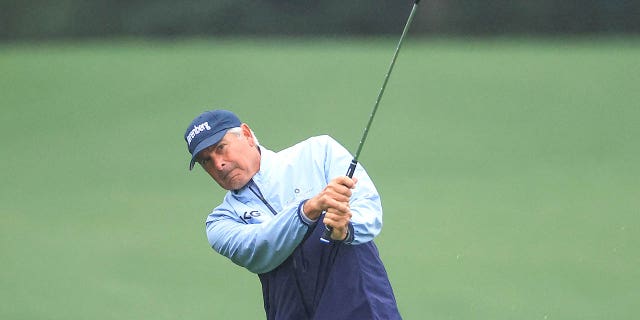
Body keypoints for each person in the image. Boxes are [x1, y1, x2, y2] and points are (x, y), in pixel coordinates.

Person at [184, 109, 401, 320]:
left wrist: (347, 228)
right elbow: (258, 246)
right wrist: (309, 208)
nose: (218, 164)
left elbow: (367, 207)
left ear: (247, 135)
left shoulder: (318, 152)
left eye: (221, 148)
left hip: (360, 303)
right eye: (206, 161)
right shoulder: (220, 221)